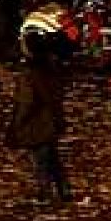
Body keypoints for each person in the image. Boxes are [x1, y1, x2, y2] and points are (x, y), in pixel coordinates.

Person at [11, 45, 71, 203]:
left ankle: (45, 192)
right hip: (52, 119)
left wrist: (18, 121)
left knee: (41, 158)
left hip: (37, 121)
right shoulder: (52, 69)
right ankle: (63, 188)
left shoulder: (29, 74)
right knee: (52, 156)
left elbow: (27, 100)